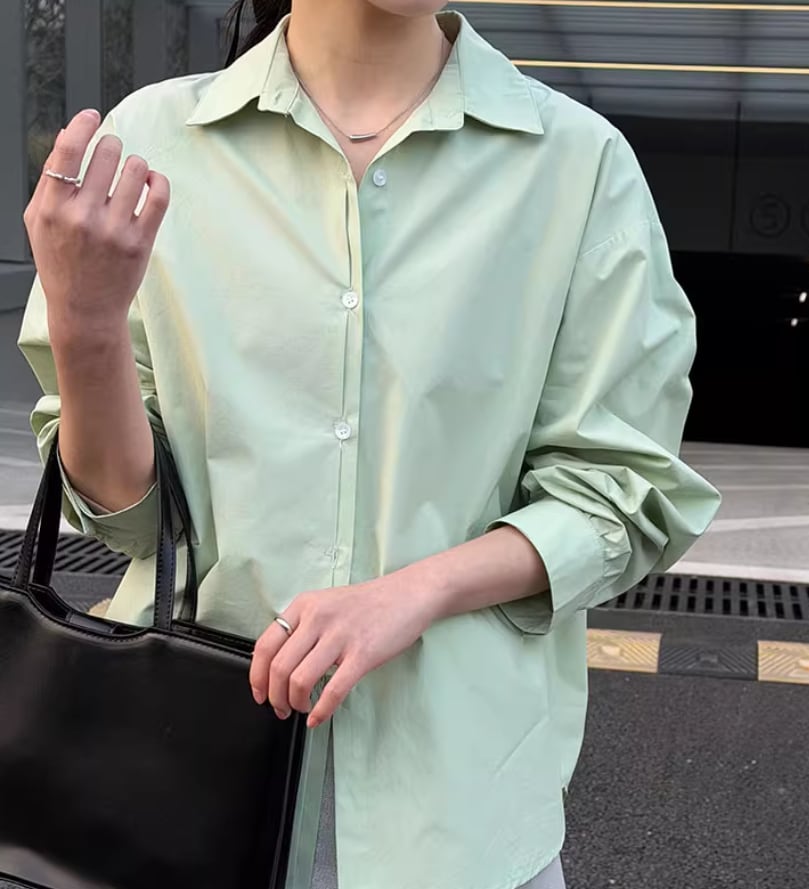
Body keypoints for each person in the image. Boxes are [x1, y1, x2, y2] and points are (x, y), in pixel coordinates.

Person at [18, 1, 722, 887]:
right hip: (182, 782)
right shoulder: (155, 143)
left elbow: (621, 493)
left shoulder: (576, 166)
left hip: (456, 809)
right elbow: (126, 520)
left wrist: (417, 590)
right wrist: (85, 326)